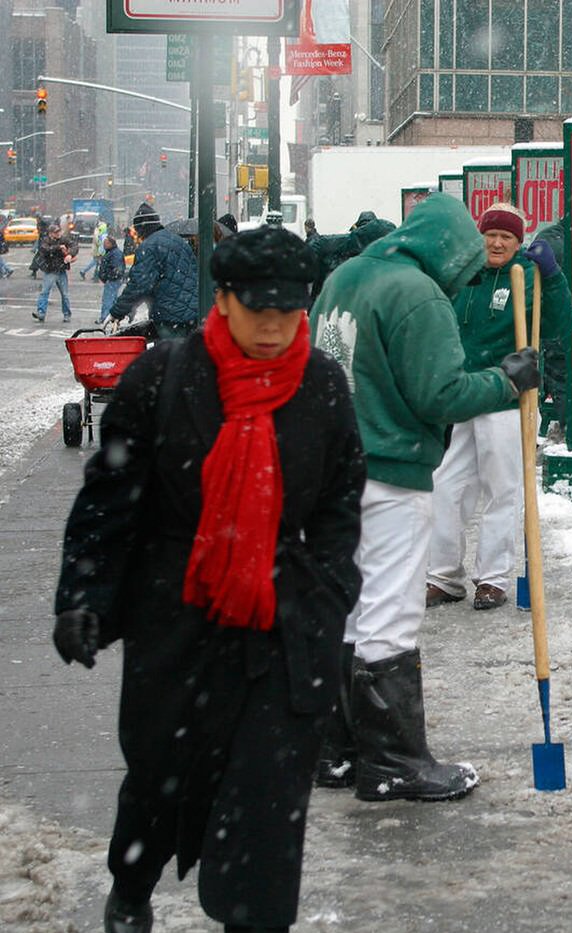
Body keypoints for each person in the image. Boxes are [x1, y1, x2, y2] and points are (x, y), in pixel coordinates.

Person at [52, 226, 365, 933]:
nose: (274, 327)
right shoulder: (162, 377)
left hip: (282, 628)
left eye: (289, 312)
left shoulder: (321, 387)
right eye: (258, 309)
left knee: (267, 800)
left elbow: (343, 503)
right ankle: (132, 884)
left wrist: (329, 596)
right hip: (178, 615)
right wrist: (83, 599)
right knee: (161, 777)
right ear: (221, 300)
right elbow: (110, 499)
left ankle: (250, 918)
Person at [309, 192, 540, 801]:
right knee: (391, 608)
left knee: (350, 606)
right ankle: (392, 763)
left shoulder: (345, 276)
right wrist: (508, 380)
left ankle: (337, 749)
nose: (460, 278)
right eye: (461, 266)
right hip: (390, 471)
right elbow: (440, 396)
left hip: (335, 468)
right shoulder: (416, 294)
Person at [424, 203, 572, 611]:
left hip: (509, 399)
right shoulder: (466, 277)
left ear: (517, 242)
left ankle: (491, 579)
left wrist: (554, 276)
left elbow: (563, 324)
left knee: (501, 489)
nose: (496, 242)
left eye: (506, 237)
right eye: (491, 235)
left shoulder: (528, 276)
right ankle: (443, 576)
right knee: (447, 486)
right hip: (465, 395)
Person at [108, 203, 200, 340]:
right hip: (193, 313)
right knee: (187, 356)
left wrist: (118, 311)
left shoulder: (149, 247)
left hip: (170, 316)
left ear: (141, 229)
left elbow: (139, 284)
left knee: (170, 357)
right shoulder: (178, 241)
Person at [31, 223, 76, 323]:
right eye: (56, 232)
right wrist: (58, 247)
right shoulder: (46, 241)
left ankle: (67, 314)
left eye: (59, 231)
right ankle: (41, 313)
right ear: (51, 233)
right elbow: (45, 249)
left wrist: (70, 254)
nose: (58, 233)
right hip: (50, 270)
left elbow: (74, 246)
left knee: (64, 294)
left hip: (61, 270)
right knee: (44, 292)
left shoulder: (64, 239)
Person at [95, 233, 126, 325]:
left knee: (108, 299)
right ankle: (114, 317)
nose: (104, 245)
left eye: (106, 243)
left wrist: (108, 277)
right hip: (113, 280)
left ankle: (104, 318)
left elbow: (117, 269)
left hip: (113, 280)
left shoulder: (115, 253)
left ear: (111, 244)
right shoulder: (112, 252)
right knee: (113, 299)